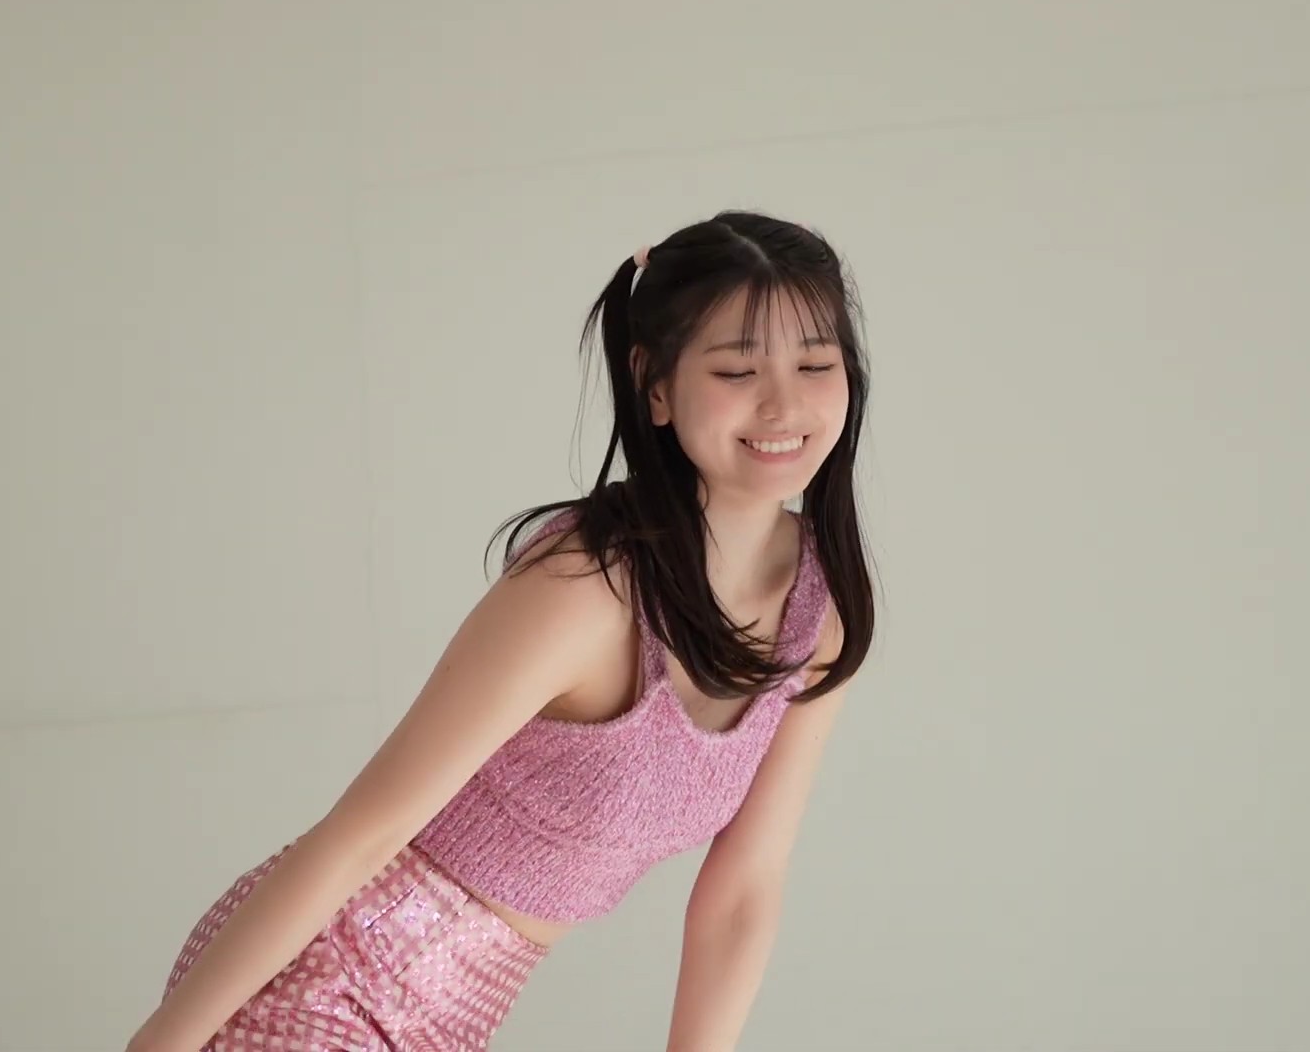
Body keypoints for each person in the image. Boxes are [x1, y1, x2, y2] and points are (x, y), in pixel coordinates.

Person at [124, 210, 876, 1052]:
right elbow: (363, 832)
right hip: (327, 977)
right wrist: (161, 1043)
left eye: (816, 363)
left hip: (458, 1016)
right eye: (737, 368)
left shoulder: (821, 609)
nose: (784, 404)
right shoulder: (586, 585)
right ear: (655, 386)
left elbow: (744, 886)